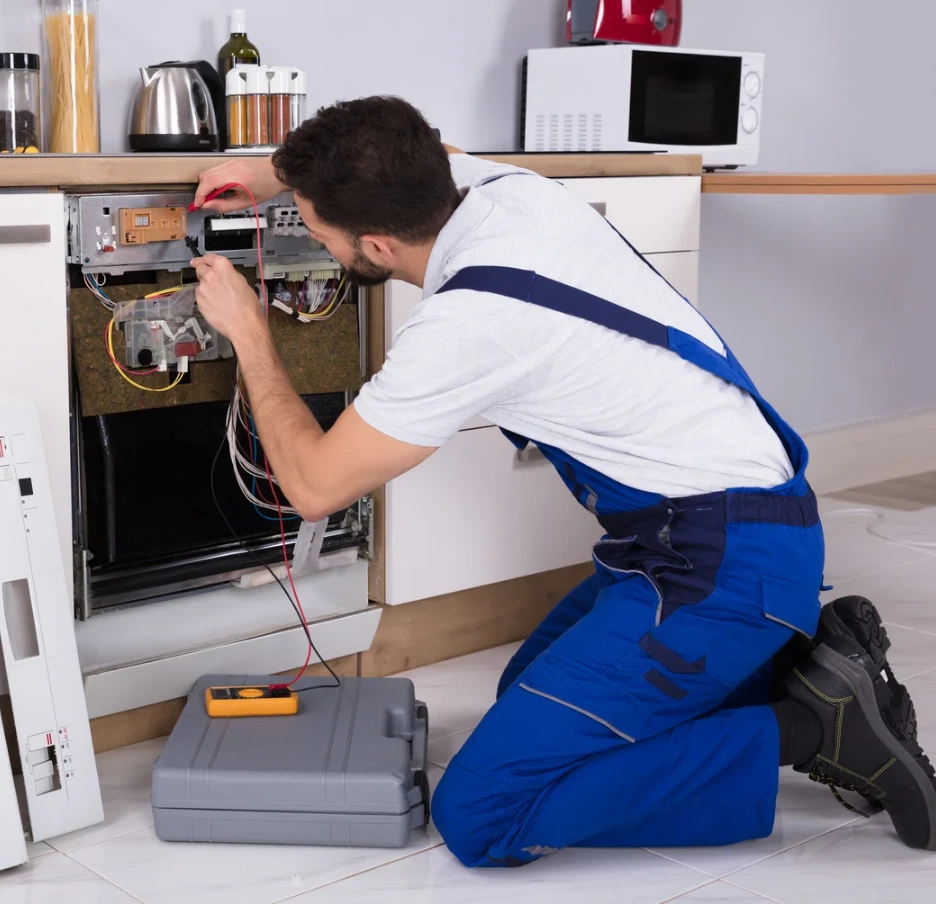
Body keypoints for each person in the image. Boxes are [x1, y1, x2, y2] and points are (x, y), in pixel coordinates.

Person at [188, 95, 936, 864]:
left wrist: (251, 334)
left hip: (719, 564)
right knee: (526, 694)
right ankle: (791, 668)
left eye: (313, 226)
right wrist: (272, 173)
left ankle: (820, 724)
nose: (305, 231)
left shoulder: (470, 320)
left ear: (376, 244)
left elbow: (313, 487)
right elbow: (413, 146)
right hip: (714, 534)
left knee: (486, 813)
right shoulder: (506, 191)